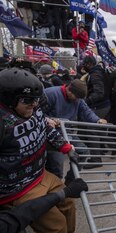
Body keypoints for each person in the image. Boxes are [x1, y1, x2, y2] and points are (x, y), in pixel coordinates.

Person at [0, 67, 79, 232]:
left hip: (40, 174)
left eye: (36, 100)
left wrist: (65, 146)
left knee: (69, 206)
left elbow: (43, 125)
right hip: (18, 190)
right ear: (8, 100)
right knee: (57, 227)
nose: (34, 105)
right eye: (28, 100)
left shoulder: (33, 108)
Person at [42, 79, 107, 180]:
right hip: (52, 134)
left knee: (83, 152)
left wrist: (97, 120)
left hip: (66, 131)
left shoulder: (78, 99)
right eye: (76, 97)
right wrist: (50, 120)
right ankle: (55, 190)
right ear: (69, 90)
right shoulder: (51, 94)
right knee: (57, 165)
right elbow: (36, 113)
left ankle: (71, 182)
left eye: (79, 98)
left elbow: (86, 111)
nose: (77, 100)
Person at [0, 178, 88, 233]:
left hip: (35, 174)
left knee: (69, 204)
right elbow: (17, 218)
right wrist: (64, 193)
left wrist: (62, 147)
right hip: (15, 190)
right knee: (57, 226)